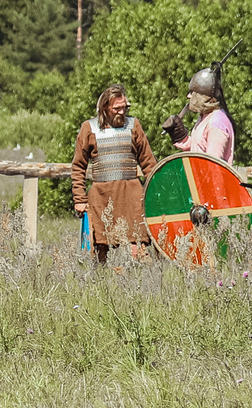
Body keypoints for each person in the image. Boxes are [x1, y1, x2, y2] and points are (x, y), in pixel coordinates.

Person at [70, 82, 156, 266]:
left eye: (125, 107)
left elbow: (148, 162)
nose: (122, 112)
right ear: (105, 108)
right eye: (117, 108)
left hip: (131, 195)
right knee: (100, 249)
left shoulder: (133, 126)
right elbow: (78, 166)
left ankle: (143, 285)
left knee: (139, 247)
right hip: (101, 197)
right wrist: (79, 198)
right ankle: (102, 286)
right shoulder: (89, 128)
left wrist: (156, 191)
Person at [171, 68, 236, 161]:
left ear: (202, 96)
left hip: (209, 175)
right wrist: (179, 136)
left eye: (192, 93)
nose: (188, 96)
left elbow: (213, 164)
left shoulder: (217, 123)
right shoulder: (204, 117)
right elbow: (197, 148)